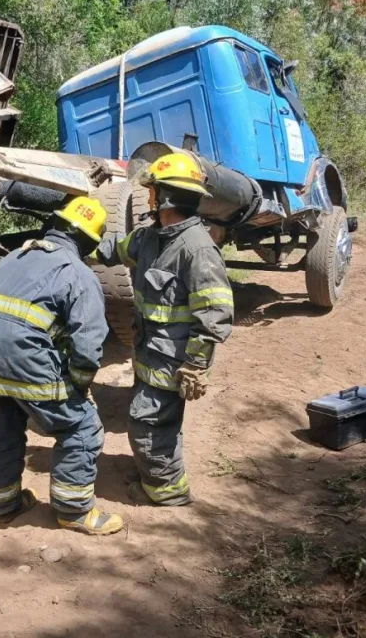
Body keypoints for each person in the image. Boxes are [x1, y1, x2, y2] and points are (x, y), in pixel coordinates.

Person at [0, 196, 124, 536]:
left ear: (56, 224)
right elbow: (89, 341)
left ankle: (4, 508)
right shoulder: (77, 272)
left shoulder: (12, 258)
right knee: (81, 428)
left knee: (2, 431)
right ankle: (74, 511)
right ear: (88, 243)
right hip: (25, 362)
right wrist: (78, 384)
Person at [97, 153, 233, 506]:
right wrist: (72, 236)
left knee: (149, 425)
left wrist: (195, 365)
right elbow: (113, 250)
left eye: (153, 191)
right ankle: (156, 471)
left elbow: (215, 314)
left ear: (166, 198)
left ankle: (166, 491)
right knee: (156, 421)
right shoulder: (151, 238)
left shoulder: (197, 249)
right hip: (147, 353)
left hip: (171, 362)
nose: (149, 198)